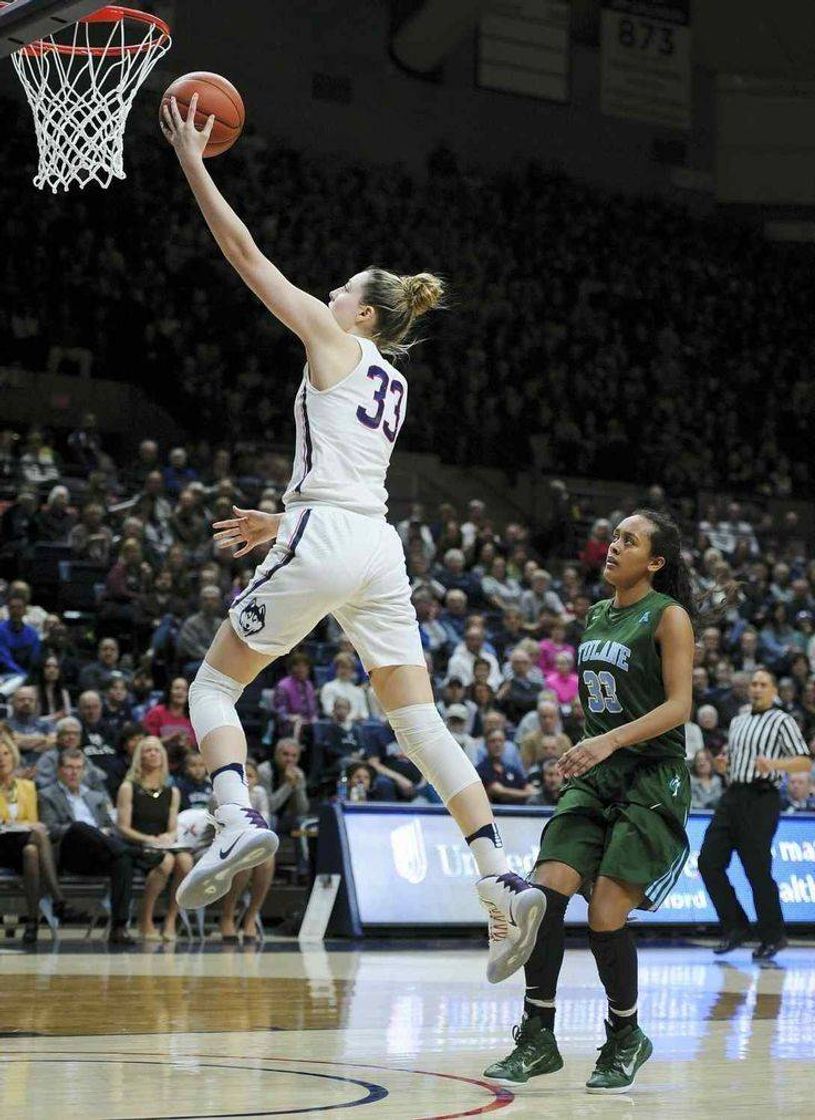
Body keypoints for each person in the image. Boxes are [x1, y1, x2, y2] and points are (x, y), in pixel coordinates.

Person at [160, 94, 544, 984]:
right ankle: (499, 878)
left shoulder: (332, 340)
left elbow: (244, 255)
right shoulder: (392, 382)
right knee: (417, 721)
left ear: (363, 315)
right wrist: (287, 520)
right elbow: (340, 476)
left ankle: (235, 816)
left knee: (213, 687)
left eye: (340, 291)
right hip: (375, 545)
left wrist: (192, 162)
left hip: (332, 534)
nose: (327, 294)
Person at [484, 510, 695, 1093]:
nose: (614, 546)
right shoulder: (598, 614)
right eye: (614, 537)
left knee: (605, 915)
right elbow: (601, 704)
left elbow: (679, 706)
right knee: (543, 897)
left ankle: (626, 1035)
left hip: (651, 777)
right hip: (597, 772)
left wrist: (606, 741)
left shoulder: (669, 617)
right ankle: (538, 1036)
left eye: (630, 541)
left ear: (654, 561)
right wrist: (584, 748)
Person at [699, 668, 812, 960]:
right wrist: (725, 766)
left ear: (774, 689)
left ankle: (773, 936)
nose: (757, 689)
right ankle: (736, 927)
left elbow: (802, 762)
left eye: (763, 684)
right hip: (733, 795)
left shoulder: (782, 720)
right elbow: (733, 759)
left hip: (762, 798)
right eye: (754, 684)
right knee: (708, 862)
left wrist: (775, 764)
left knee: (757, 870)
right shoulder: (738, 720)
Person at [38, 748, 136, 946]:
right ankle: (138, 854)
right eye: (69, 768)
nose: (74, 772)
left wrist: (101, 833)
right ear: (59, 770)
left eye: (78, 768)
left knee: (122, 860)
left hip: (99, 853)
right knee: (79, 827)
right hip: (69, 854)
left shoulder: (95, 796)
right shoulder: (46, 795)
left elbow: (110, 827)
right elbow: (51, 830)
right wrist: (89, 831)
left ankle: (119, 927)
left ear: (84, 771)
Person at [0, 729, 80, 943]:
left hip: (21, 845)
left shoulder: (27, 786)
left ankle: (33, 922)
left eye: (6, 754)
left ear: (13, 756)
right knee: (35, 838)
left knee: (32, 850)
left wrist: (23, 824)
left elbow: (34, 821)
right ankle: (58, 901)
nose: (2, 759)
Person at [115, 737, 192, 941]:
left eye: (157, 750)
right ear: (139, 757)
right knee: (166, 862)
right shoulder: (128, 787)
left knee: (185, 861)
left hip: (163, 844)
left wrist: (168, 836)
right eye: (147, 750)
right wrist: (149, 839)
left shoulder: (172, 791)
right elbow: (122, 827)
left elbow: (173, 827)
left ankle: (170, 920)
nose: (153, 754)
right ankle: (145, 918)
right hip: (137, 844)